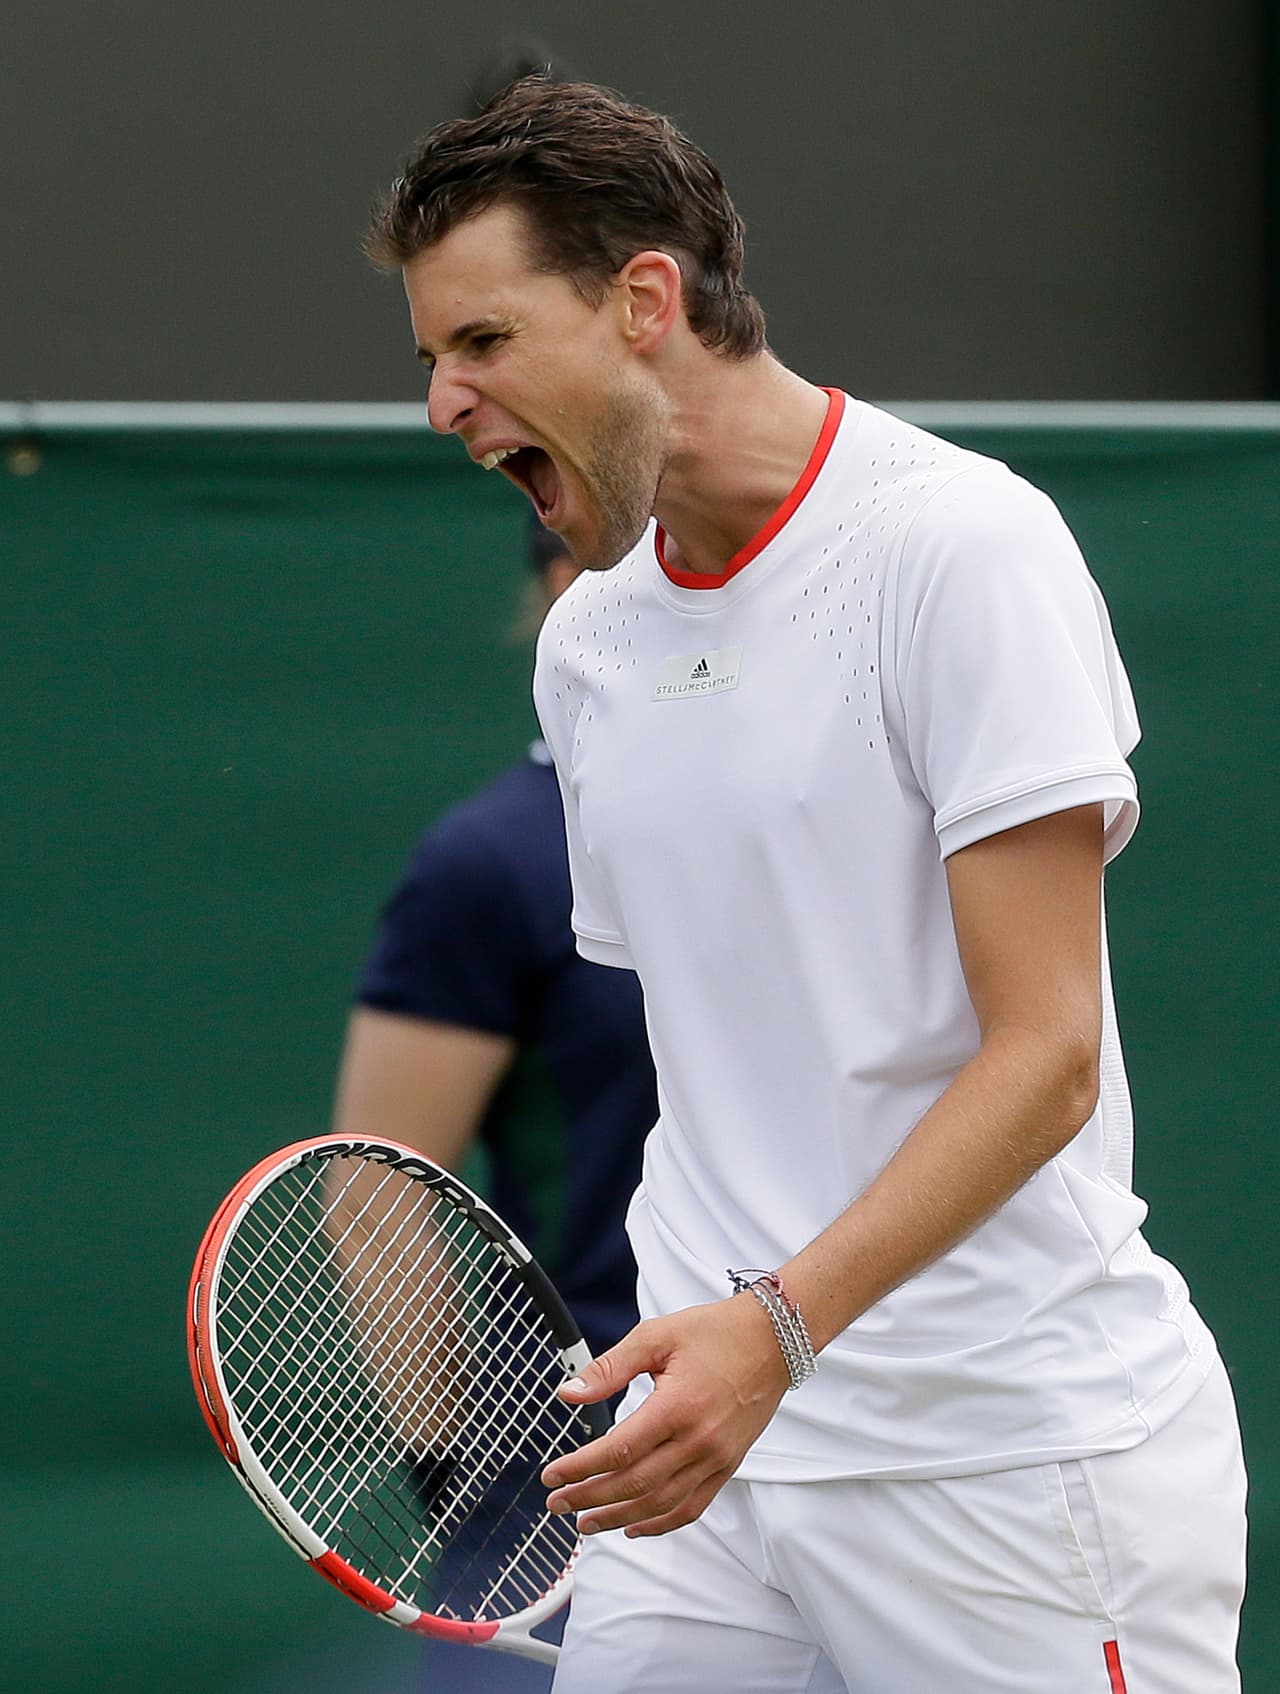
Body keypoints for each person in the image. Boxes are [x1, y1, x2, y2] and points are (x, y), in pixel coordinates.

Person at [364, 76, 1248, 1693]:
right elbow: (728, 1062)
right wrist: (727, 1340)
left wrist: (777, 1324)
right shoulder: (590, 642)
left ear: (646, 301)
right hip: (701, 1469)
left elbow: (1046, 1056)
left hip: (1002, 1463)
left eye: (482, 341)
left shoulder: (960, 549)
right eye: (429, 355)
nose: (444, 400)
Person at [331, 515, 657, 1688]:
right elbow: (375, 1190)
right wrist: (461, 1480)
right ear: (564, 589)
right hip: (579, 1471)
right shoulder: (491, 861)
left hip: (839, 1431)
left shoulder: (814, 828)